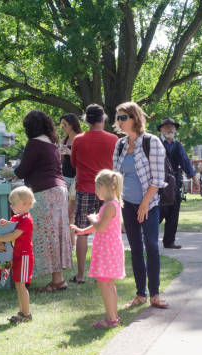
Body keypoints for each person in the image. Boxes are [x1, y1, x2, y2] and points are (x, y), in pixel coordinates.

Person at [113, 101, 169, 309]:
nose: (119, 122)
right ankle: (140, 294)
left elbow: (158, 178)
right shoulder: (119, 145)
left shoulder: (151, 142)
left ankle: (155, 294)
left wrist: (145, 204)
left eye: (123, 118)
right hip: (127, 204)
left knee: (152, 246)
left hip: (150, 204)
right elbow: (115, 177)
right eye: (117, 118)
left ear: (135, 118)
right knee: (135, 248)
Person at [14, 110, 73, 292]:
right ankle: (58, 278)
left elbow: (23, 170)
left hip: (45, 192)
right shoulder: (51, 142)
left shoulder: (34, 144)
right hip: (59, 190)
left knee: (46, 236)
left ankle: (57, 280)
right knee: (56, 234)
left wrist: (9, 173)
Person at [71, 170, 125, 328]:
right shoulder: (112, 204)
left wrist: (92, 219)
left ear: (103, 187)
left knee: (104, 284)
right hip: (110, 249)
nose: (96, 192)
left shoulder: (109, 206)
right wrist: (82, 231)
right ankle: (113, 316)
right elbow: (99, 227)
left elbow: (100, 227)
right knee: (109, 284)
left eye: (97, 189)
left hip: (107, 250)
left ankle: (111, 319)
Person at [70, 104, 118, 283]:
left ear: (86, 120)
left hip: (86, 189)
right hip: (108, 191)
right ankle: (106, 273)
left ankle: (81, 274)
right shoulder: (113, 139)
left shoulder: (78, 140)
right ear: (103, 118)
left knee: (82, 232)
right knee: (106, 230)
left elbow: (74, 163)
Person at [0, 186, 35, 323]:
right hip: (16, 256)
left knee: (22, 285)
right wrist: (5, 225)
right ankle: (22, 312)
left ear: (25, 204)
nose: (11, 205)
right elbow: (9, 229)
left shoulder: (26, 220)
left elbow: (14, 235)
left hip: (24, 256)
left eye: (13, 203)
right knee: (18, 285)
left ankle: (26, 314)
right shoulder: (17, 218)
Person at [157, 117, 197, 249]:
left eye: (172, 126)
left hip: (175, 183)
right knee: (158, 212)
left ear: (175, 130)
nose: (170, 128)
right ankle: (146, 237)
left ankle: (169, 242)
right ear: (161, 130)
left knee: (174, 213)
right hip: (158, 183)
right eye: (166, 126)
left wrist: (194, 178)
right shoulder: (156, 143)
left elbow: (185, 162)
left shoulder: (178, 145)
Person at [59, 113, 81, 229]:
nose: (62, 127)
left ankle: (71, 236)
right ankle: (69, 236)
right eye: (61, 125)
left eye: (64, 124)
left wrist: (70, 153)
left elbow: (84, 160)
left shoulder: (81, 138)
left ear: (72, 124)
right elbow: (61, 161)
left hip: (77, 177)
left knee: (72, 208)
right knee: (64, 207)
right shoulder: (64, 140)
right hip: (66, 176)